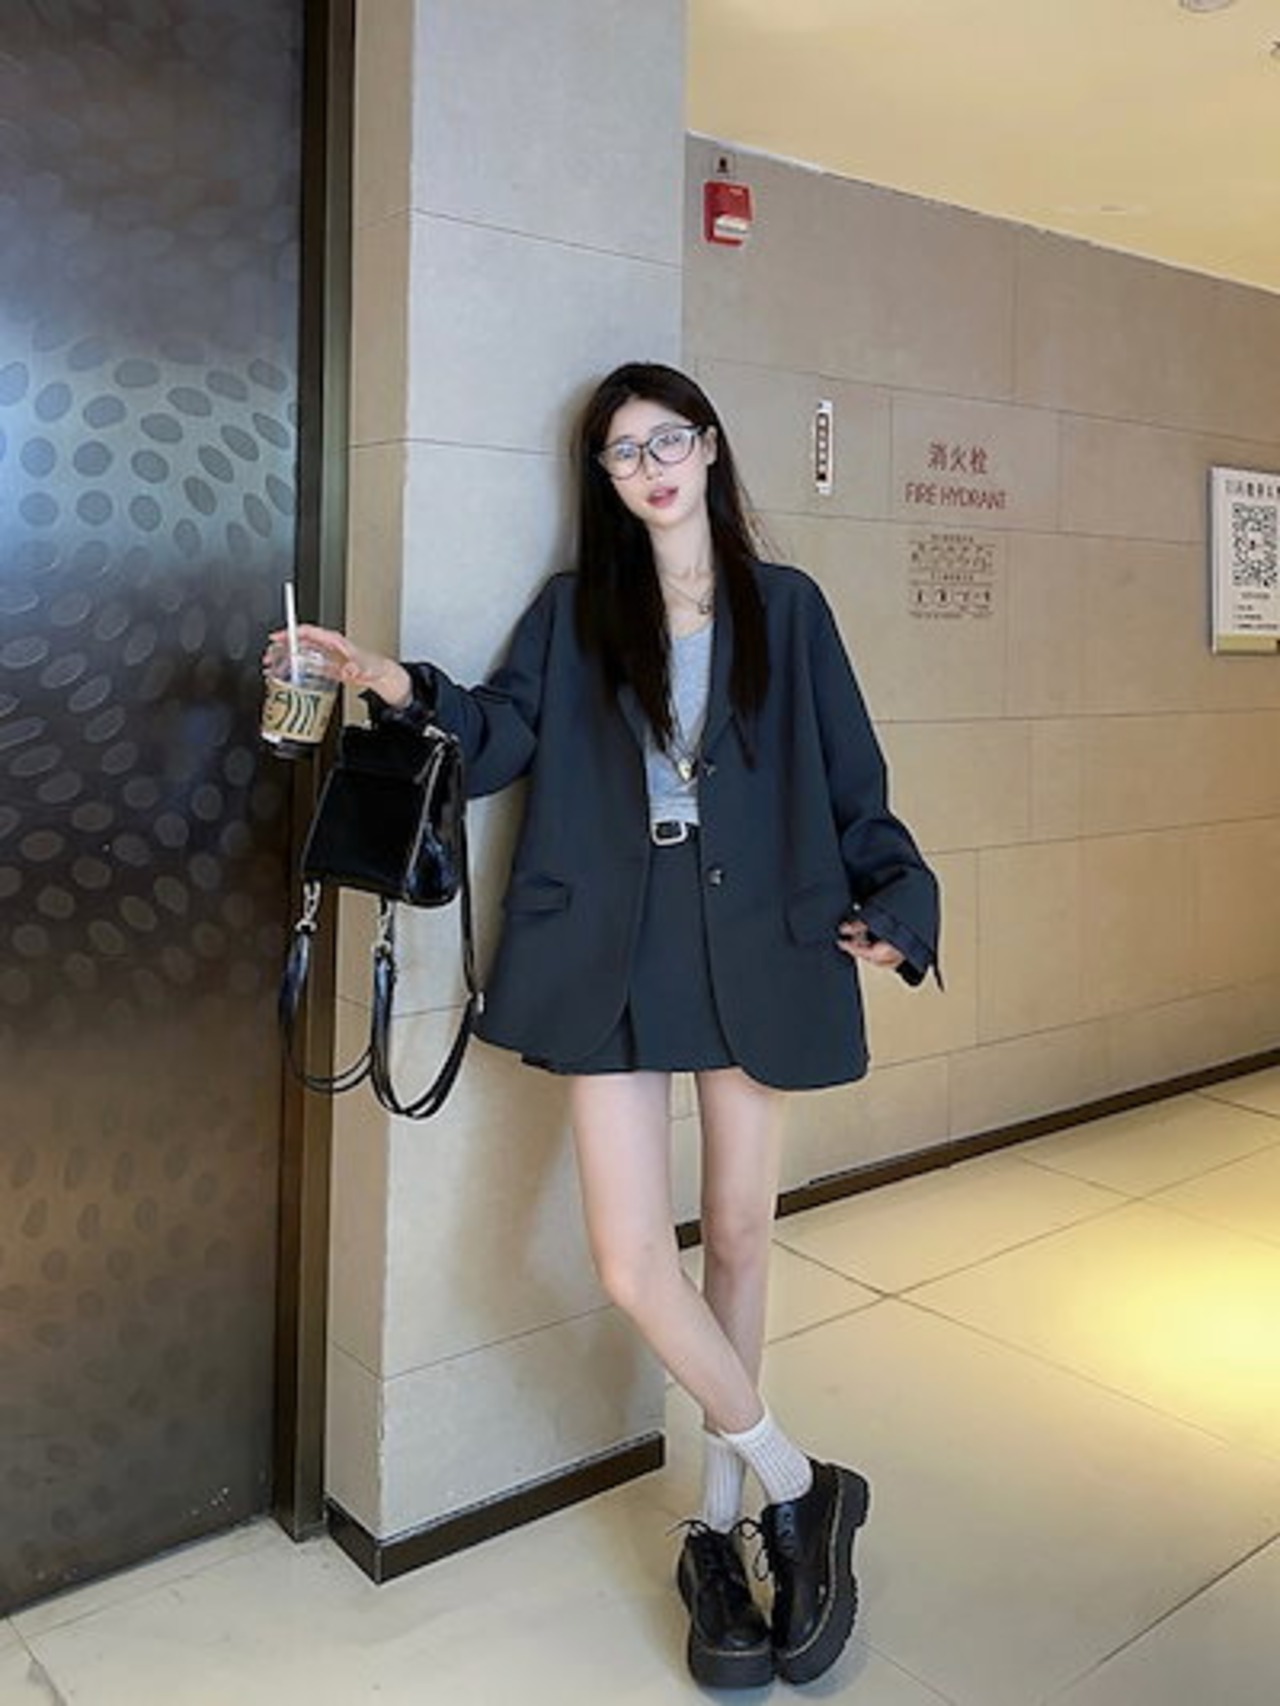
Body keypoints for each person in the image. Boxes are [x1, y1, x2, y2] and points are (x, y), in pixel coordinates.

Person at [279, 362, 940, 1689]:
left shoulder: (789, 608)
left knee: (739, 1238)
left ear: (710, 448)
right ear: (605, 477)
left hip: (760, 938)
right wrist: (395, 681)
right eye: (624, 451)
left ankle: (724, 1532)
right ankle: (801, 1483)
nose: (650, 466)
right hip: (612, 946)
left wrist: (897, 903)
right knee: (635, 1259)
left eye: (668, 440)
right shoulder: (577, 613)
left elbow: (852, 776)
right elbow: (496, 738)